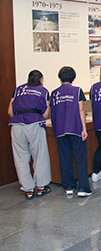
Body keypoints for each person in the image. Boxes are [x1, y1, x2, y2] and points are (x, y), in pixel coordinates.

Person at [8, 70, 51, 199]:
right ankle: (41, 187)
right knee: (39, 155)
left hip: (16, 124)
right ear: (41, 79)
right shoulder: (43, 91)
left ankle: (28, 189)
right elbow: (46, 114)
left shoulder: (18, 90)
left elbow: (10, 111)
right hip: (34, 123)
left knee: (21, 157)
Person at [50, 66, 91, 197]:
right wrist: (84, 128)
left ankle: (68, 186)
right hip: (75, 128)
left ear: (60, 78)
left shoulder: (54, 93)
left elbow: (53, 112)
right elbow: (81, 109)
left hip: (60, 130)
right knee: (80, 159)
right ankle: (83, 188)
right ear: (73, 78)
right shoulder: (77, 91)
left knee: (65, 158)